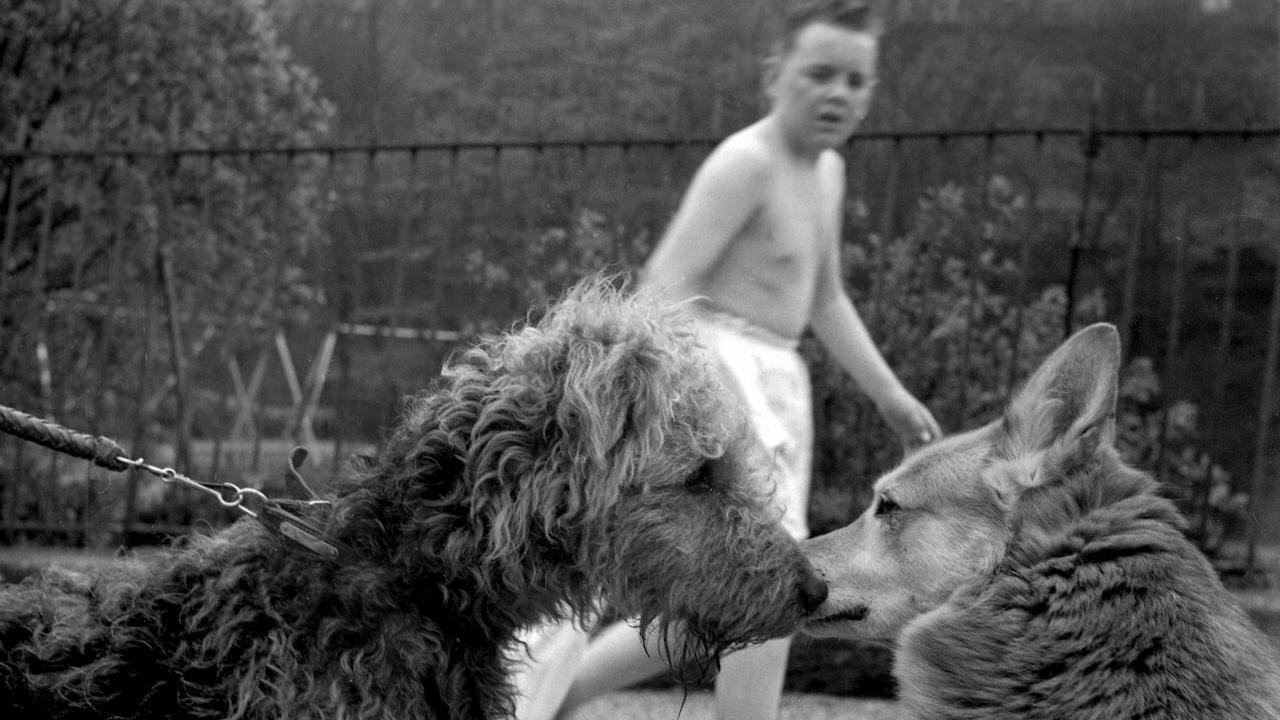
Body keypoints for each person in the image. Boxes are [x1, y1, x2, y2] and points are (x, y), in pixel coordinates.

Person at [512, 2, 941, 718]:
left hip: (782, 382)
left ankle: (560, 692)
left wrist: (890, 396)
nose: (838, 94)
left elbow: (826, 298)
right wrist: (706, 406)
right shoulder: (746, 163)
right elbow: (658, 290)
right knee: (770, 580)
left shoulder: (826, 172)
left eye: (855, 80)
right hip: (724, 378)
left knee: (735, 595)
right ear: (776, 76)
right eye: (819, 75)